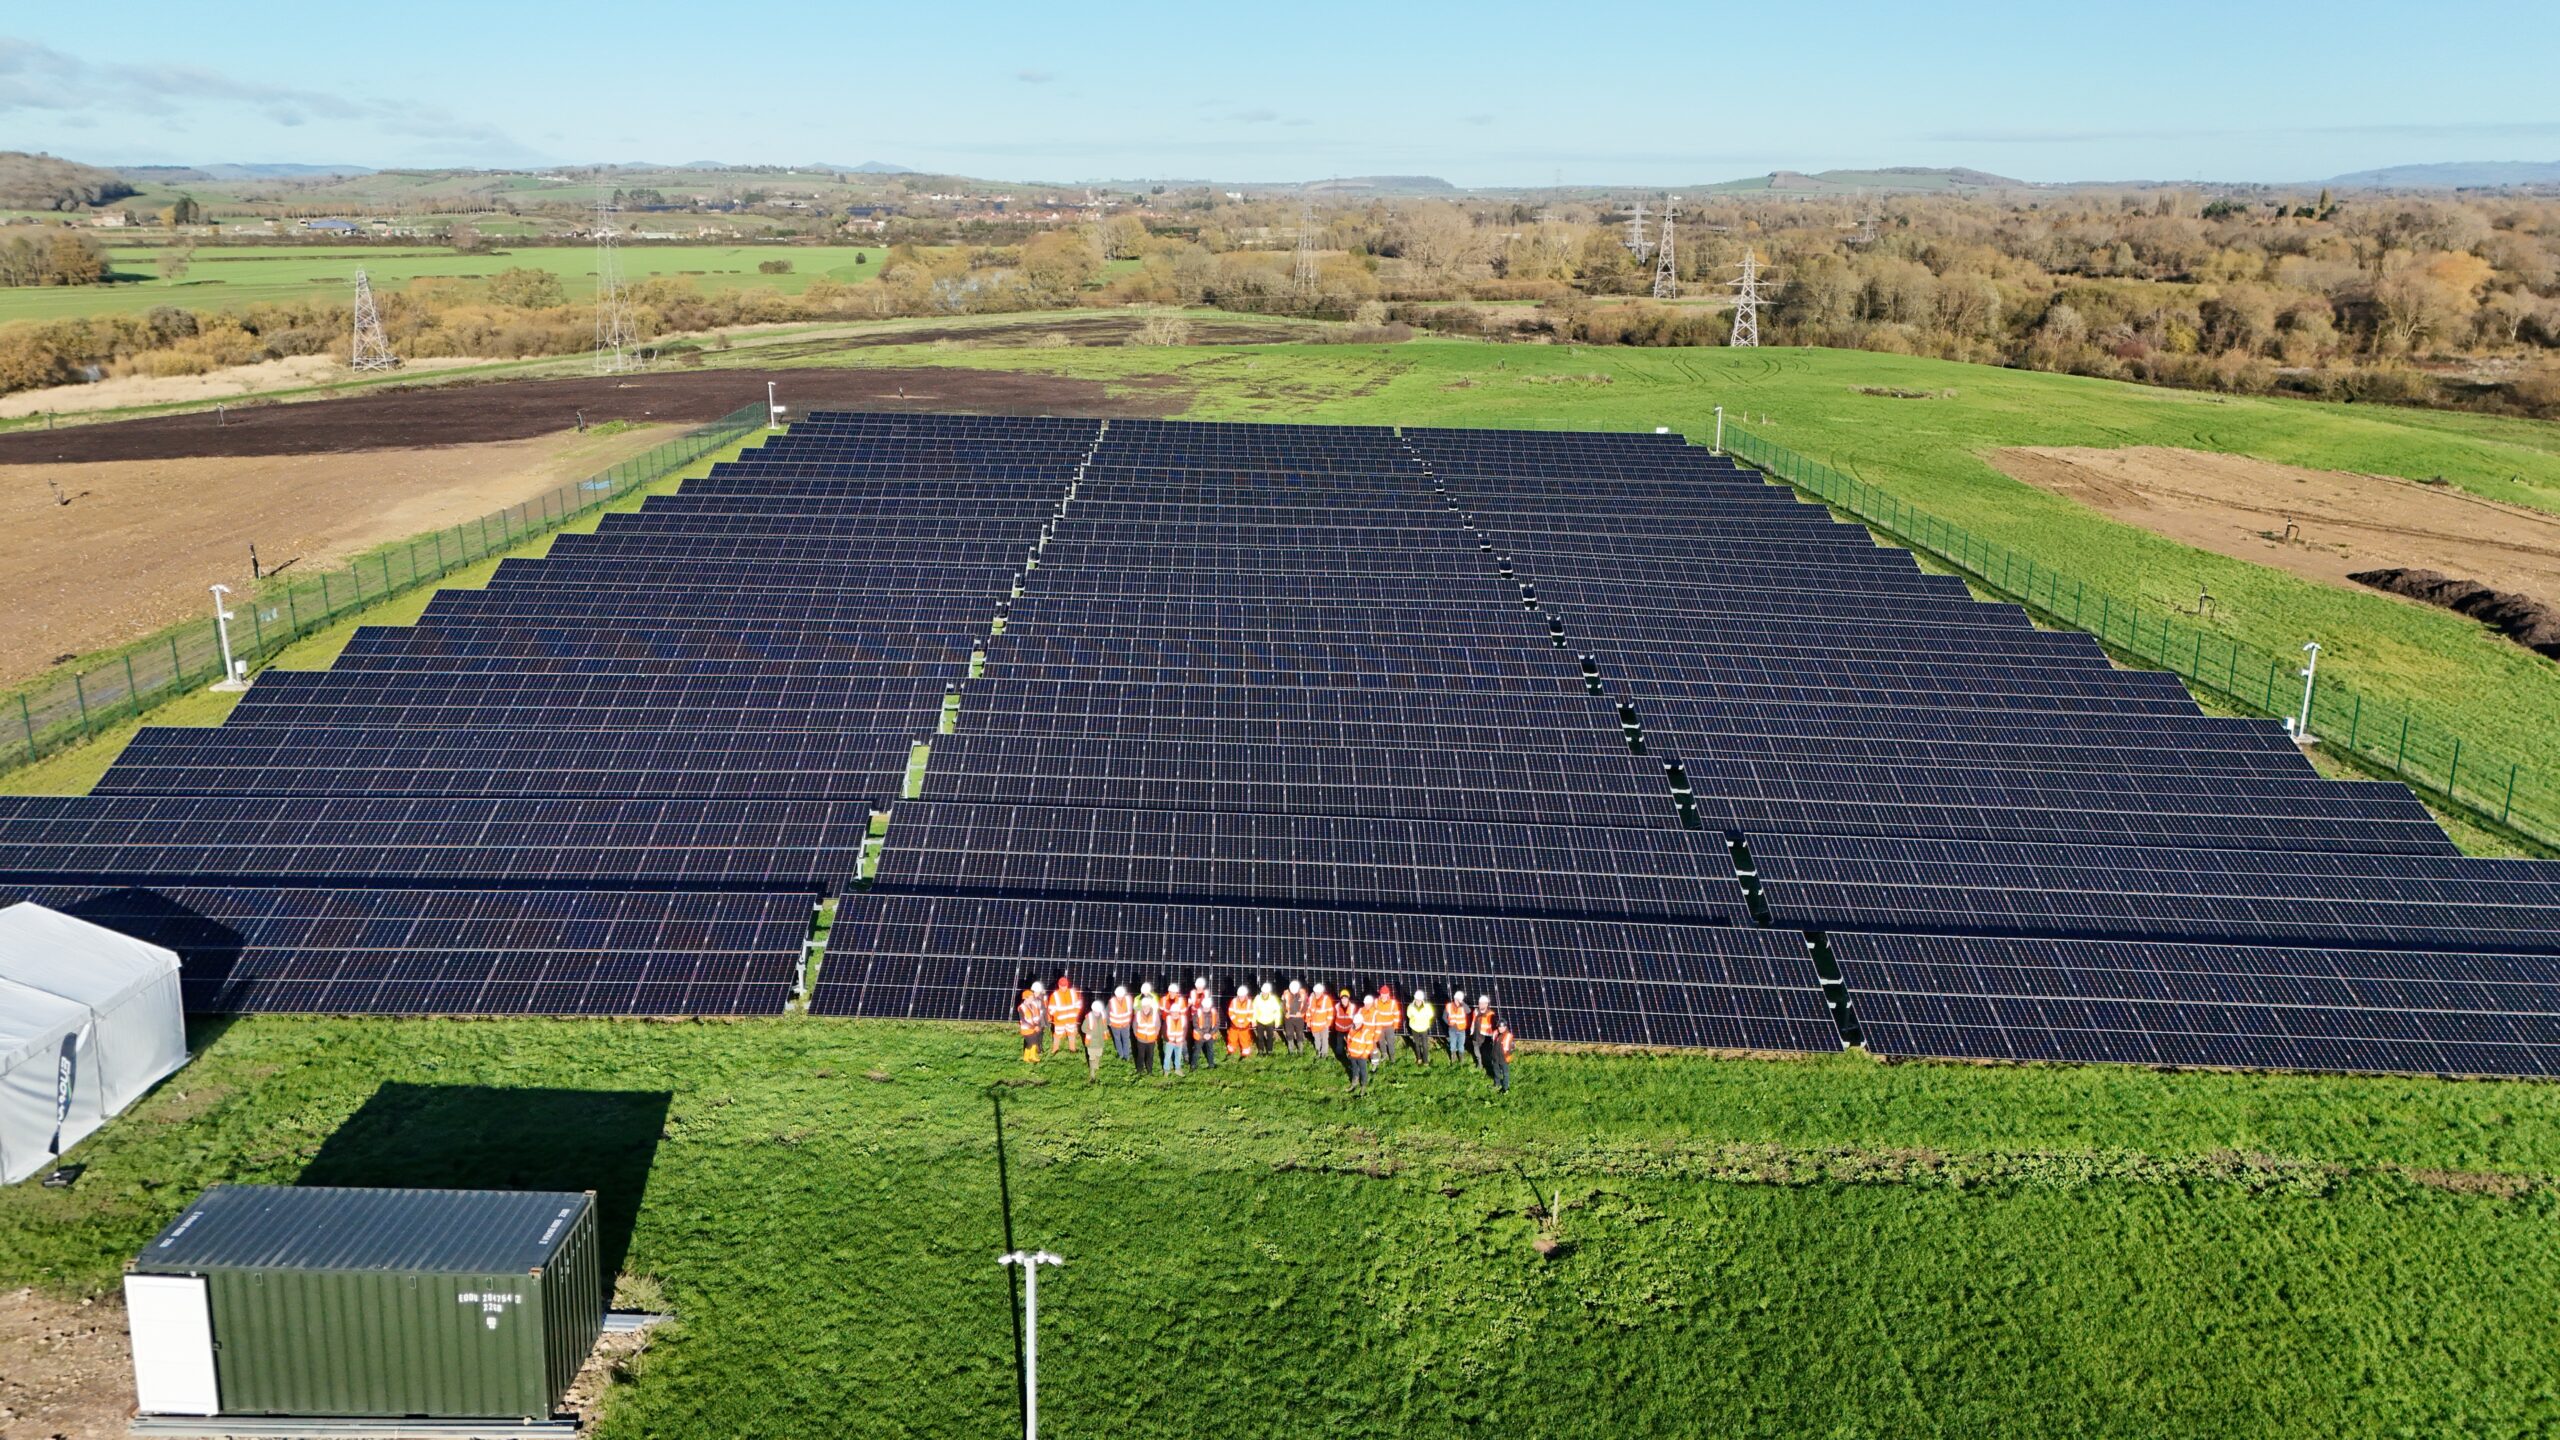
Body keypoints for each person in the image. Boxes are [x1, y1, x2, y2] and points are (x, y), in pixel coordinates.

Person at [1344, 998, 1378, 1092]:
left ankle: (1363, 1085)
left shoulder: (1366, 1032)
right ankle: (1354, 1083)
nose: (1356, 1024)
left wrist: (1364, 1055)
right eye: (1355, 1022)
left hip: (1361, 1056)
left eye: (1358, 1023)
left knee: (1363, 1070)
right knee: (1354, 1069)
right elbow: (1349, 1041)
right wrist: (1348, 1051)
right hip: (1353, 1055)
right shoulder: (1351, 1029)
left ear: (1361, 1022)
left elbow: (1369, 1045)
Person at [1189, 977, 1220, 1069]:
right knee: (1196, 1050)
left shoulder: (1214, 1012)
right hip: (1200, 1035)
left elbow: (1217, 1024)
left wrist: (1210, 1034)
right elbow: (1195, 1025)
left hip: (1210, 1035)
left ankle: (1211, 1065)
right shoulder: (1197, 1012)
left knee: (1210, 1050)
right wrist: (1203, 1034)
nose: (1206, 1009)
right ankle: (1193, 1065)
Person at [1047, 974, 1082, 1056]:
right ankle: (1055, 1049)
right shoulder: (1055, 995)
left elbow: (1078, 1004)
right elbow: (1051, 1009)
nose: (1063, 987)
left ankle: (1072, 1049)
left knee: (1071, 1033)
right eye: (1062, 986)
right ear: (1059, 985)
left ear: (1067, 984)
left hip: (1071, 1020)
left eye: (1065, 985)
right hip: (1060, 1021)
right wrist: (1057, 1016)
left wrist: (1075, 1013)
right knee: (1057, 1035)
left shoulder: (1073, 993)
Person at [1161, 980, 1189, 1075]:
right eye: (1171, 991)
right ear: (1169, 991)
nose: (1172, 993)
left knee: (1178, 1055)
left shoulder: (1181, 1004)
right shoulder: (1164, 1000)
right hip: (1170, 1040)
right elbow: (1164, 1030)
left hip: (1179, 1040)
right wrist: (1168, 1039)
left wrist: (1182, 1039)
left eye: (1174, 992)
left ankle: (1178, 1069)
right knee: (1168, 1056)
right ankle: (1166, 1070)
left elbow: (1185, 1029)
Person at [1133, 984, 1162, 1076]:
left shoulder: (1155, 1014)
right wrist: (1136, 1035)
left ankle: (1150, 1070)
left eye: (1147, 1006)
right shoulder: (1138, 1013)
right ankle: (1139, 1070)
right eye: (1144, 1006)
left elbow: (1158, 1025)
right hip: (1141, 1039)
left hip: (1151, 1039)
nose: (1145, 1008)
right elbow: (1134, 1025)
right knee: (1140, 1056)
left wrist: (1155, 1035)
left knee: (1150, 1056)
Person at [1334, 983, 1363, 1075]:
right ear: (1340, 999)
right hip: (1339, 1028)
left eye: (1345, 998)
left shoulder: (1353, 1007)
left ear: (1348, 998)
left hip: (1349, 1028)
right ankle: (1339, 1055)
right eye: (1342, 998)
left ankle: (1350, 1054)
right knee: (1339, 1043)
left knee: (1350, 1042)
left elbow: (1356, 1017)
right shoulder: (1337, 1006)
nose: (1344, 1000)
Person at [1371, 985, 1403, 1067]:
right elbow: (1372, 1013)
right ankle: (1384, 1054)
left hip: (1389, 1026)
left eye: (1385, 994)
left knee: (1390, 1042)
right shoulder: (1375, 1002)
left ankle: (1392, 1057)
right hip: (1379, 1026)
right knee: (1381, 1041)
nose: (1383, 995)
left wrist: (1395, 1026)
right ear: (1380, 994)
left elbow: (1396, 1015)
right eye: (1382, 993)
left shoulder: (1393, 1003)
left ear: (1388, 994)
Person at [1016, 982, 1046, 1064]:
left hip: (1034, 1027)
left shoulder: (1033, 1005)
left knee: (1035, 1042)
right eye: (1031, 997)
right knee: (1030, 1043)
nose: (1033, 998)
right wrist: (1033, 1026)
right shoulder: (1021, 1008)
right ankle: (1026, 1057)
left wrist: (1037, 1025)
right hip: (1026, 1029)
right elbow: (1024, 1020)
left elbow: (1037, 1016)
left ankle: (1033, 1056)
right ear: (1026, 998)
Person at [1405, 988, 1436, 1065]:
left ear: (1422, 1000)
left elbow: (1431, 1015)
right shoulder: (1410, 1007)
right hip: (1414, 1027)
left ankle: (1425, 1061)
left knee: (1425, 1045)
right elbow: (1409, 1015)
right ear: (1415, 999)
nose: (1418, 1001)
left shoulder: (1427, 1007)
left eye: (1420, 1000)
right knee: (1417, 1044)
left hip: (1423, 1028)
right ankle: (1419, 1058)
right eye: (1417, 999)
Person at [1081, 994, 1107, 1082]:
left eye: (1098, 1011)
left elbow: (1104, 1026)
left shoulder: (1103, 1015)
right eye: (1096, 1011)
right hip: (1091, 1042)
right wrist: (1090, 1032)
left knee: (1099, 1054)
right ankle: (1092, 1073)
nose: (1097, 1013)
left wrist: (1105, 1033)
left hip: (1100, 1041)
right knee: (1092, 1057)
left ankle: (1096, 1065)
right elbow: (1083, 1028)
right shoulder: (1089, 1018)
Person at [1251, 982, 1283, 1054]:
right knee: (1260, 1037)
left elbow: (1277, 1011)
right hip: (1260, 1021)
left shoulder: (1273, 999)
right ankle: (1261, 1050)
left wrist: (1277, 1021)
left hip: (1270, 1021)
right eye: (1263, 992)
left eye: (1266, 992)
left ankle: (1269, 1051)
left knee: (1270, 1037)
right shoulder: (1257, 998)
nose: (1264, 993)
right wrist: (1253, 1020)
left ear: (1269, 992)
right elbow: (1254, 1010)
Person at [1226, 986, 1256, 1059]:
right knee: (1232, 1037)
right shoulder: (1234, 1001)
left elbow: (1251, 1014)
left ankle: (1245, 1051)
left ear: (1246, 995)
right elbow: (1231, 1012)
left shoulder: (1249, 1002)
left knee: (1245, 1038)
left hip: (1244, 1025)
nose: (1241, 997)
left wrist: (1244, 1023)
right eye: (1239, 996)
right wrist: (1236, 1023)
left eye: (1242, 996)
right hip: (1234, 1024)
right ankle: (1231, 1049)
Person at [1307, 984, 1336, 1059]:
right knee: (1316, 1040)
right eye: (1316, 992)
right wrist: (1308, 1021)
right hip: (1314, 1025)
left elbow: (1330, 1012)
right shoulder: (1311, 998)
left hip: (1324, 1025)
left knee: (1324, 1039)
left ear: (1322, 992)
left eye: (1319, 992)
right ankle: (1318, 1051)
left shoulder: (1326, 999)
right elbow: (1308, 1011)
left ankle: (1324, 1054)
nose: (1317, 993)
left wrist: (1328, 1023)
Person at [1282, 981, 1310, 1055]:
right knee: (1289, 1033)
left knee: (1300, 1034)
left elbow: (1306, 1006)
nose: (1293, 993)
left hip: (1299, 1019)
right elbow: (1282, 1005)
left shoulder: (1303, 994)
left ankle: (1300, 1050)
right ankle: (1291, 1050)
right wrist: (1285, 1013)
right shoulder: (1286, 994)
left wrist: (1301, 1013)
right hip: (1288, 1019)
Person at [1107, 985, 1134, 1062]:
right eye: (1118, 996)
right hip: (1115, 1025)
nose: (1120, 998)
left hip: (1125, 1024)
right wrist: (1109, 1023)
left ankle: (1127, 1055)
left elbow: (1131, 1011)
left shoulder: (1128, 1000)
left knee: (1126, 1039)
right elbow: (1106, 1012)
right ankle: (1121, 1054)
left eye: (1121, 996)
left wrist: (1129, 1021)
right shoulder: (1111, 1001)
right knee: (1117, 1039)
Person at [1471, 991, 1497, 1069]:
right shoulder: (1475, 1012)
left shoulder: (1491, 1014)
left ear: (1486, 1004)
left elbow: (1494, 1026)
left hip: (1486, 1037)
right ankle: (1479, 1064)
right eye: (1479, 1003)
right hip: (1476, 1035)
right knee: (1476, 1051)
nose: (1480, 1005)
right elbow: (1473, 1021)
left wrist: (1493, 1036)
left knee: (1486, 1053)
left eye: (1483, 1003)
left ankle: (1488, 1065)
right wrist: (1472, 1030)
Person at [1487, 1020, 1515, 1094]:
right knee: (1496, 1072)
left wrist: (1506, 1056)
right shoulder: (1496, 1033)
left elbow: (1512, 1048)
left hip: (1504, 1059)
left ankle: (1506, 1088)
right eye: (1499, 1027)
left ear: (1505, 1027)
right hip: (1495, 1057)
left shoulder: (1509, 1035)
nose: (1500, 1028)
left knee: (1505, 1074)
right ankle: (1497, 1084)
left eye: (1502, 1027)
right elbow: (1493, 1043)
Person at [1444, 991, 1471, 1061]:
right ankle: (1453, 1058)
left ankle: (1461, 1059)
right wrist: (1449, 1023)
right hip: (1452, 1029)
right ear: (1454, 998)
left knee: (1461, 1045)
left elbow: (1468, 1011)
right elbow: (1444, 1017)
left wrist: (1462, 1002)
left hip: (1461, 1029)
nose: (1457, 1001)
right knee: (1452, 1045)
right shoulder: (1449, 1006)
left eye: (1459, 999)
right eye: (1456, 999)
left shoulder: (1463, 1006)